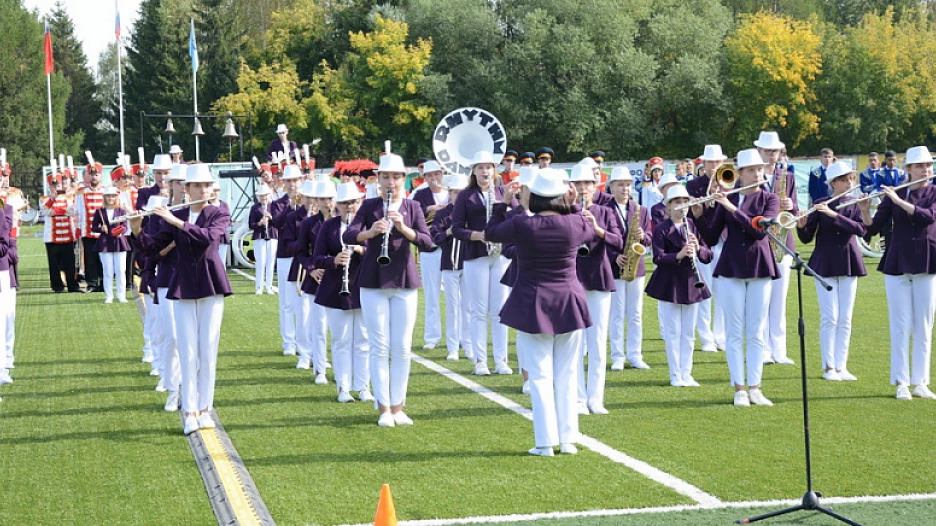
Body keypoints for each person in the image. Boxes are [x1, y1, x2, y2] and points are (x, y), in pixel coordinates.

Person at [486, 168, 594, 456]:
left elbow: (491, 232)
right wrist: (570, 202)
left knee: (540, 376)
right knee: (567, 373)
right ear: (562, 194)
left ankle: (545, 442)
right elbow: (587, 228)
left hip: (533, 302)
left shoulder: (522, 224)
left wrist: (503, 201)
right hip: (569, 300)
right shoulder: (574, 222)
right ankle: (568, 440)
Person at [130, 164, 233, 435]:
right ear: (186, 189)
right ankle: (189, 411)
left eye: (205, 185)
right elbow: (155, 250)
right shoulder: (176, 213)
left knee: (208, 350)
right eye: (196, 186)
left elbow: (208, 239)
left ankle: (205, 409)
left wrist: (176, 221)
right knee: (187, 350)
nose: (202, 190)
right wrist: (138, 230)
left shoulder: (219, 212)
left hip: (211, 284)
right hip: (184, 285)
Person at [343, 151, 432, 427]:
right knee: (379, 346)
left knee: (402, 347)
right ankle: (383, 409)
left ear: (404, 179)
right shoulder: (369, 205)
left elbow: (427, 242)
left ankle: (398, 407)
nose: (390, 182)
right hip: (373, 280)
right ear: (378, 180)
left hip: (404, 279)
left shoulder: (413, 207)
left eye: (395, 177)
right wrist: (370, 232)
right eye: (385, 177)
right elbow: (349, 234)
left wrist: (403, 228)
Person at [693, 148, 780, 407]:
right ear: (740, 174)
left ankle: (755, 387)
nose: (756, 173)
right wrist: (699, 217)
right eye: (750, 170)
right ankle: (739, 388)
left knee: (755, 331)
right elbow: (710, 238)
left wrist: (729, 206)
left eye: (758, 169)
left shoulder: (769, 198)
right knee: (734, 331)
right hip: (731, 268)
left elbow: (759, 230)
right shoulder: (726, 199)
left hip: (760, 267)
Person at [859, 146, 936, 400]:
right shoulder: (894, 194)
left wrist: (898, 200)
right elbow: (871, 229)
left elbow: (927, 217)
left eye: (928, 165)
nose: (925, 169)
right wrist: (863, 210)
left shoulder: (933, 192)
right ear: (909, 170)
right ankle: (901, 381)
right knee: (900, 325)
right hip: (898, 261)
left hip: (927, 260)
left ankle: (920, 382)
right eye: (920, 166)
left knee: (924, 326)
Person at [796, 161, 866, 381]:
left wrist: (834, 215)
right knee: (830, 317)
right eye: (844, 179)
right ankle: (828, 367)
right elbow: (807, 237)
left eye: (850, 179)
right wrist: (801, 225)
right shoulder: (820, 203)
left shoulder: (856, 202)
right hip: (824, 262)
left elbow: (861, 230)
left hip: (849, 261)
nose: (849, 182)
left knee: (845, 318)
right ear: (834, 183)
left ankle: (841, 365)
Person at [452, 151, 518, 376]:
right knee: (478, 310)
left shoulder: (503, 192)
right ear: (474, 171)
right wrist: (478, 235)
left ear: (495, 170)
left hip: (499, 256)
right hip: (476, 255)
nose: (485, 171)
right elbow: (457, 228)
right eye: (480, 167)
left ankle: (501, 360)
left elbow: (518, 217)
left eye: (488, 167)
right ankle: (480, 360)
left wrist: (509, 203)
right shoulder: (465, 196)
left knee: (500, 310)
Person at [646, 186, 713, 387]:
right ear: (668, 207)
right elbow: (657, 257)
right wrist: (679, 254)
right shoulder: (661, 228)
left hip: (692, 282)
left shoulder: (691, 225)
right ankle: (675, 374)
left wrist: (698, 247)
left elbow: (708, 256)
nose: (682, 207)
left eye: (685, 202)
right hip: (670, 283)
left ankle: (687, 372)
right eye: (677, 203)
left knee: (688, 332)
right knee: (673, 331)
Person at [570, 164, 622, 415]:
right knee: (576, 341)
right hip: (573, 278)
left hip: (599, 276)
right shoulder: (566, 211)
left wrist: (596, 228)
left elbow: (618, 241)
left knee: (598, 341)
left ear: (595, 186)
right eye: (578, 184)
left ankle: (596, 397)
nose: (583, 188)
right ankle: (578, 397)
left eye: (587, 184)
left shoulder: (604, 211)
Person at [313, 182, 372, 403]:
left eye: (354, 202)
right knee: (341, 339)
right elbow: (317, 258)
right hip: (336, 288)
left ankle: (363, 386)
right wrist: (334, 260)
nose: (350, 207)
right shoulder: (329, 227)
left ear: (360, 203)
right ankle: (343, 387)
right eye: (345, 203)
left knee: (364, 339)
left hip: (364, 284)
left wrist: (361, 249)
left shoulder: (367, 226)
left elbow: (376, 254)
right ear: (338, 205)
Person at [755, 131, 799, 366]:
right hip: (761, 242)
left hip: (783, 241)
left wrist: (791, 206)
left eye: (774, 151)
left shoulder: (787, 177)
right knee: (762, 299)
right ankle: (761, 349)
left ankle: (779, 350)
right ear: (759, 152)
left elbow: (795, 212)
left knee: (779, 300)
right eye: (767, 151)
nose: (771, 155)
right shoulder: (752, 176)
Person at [605, 168, 651, 370]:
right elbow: (601, 239)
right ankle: (617, 356)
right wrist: (615, 257)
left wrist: (643, 236)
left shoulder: (641, 210)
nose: (625, 188)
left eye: (628, 184)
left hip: (636, 266)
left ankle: (635, 354)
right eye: (620, 184)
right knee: (616, 314)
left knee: (635, 314)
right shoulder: (604, 209)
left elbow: (650, 238)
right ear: (611, 187)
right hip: (615, 266)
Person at [685, 145, 728, 354]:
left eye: (718, 162)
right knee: (705, 292)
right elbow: (690, 216)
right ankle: (706, 338)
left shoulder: (730, 182)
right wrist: (704, 203)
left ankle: (720, 336)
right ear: (704, 164)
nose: (715, 166)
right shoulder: (693, 185)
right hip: (703, 242)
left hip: (725, 241)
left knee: (723, 292)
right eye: (711, 162)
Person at [430, 174, 472, 361]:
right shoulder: (443, 214)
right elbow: (435, 237)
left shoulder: (472, 212)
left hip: (469, 263)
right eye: (454, 192)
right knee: (452, 307)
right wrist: (448, 231)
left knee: (468, 307)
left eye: (460, 192)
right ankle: (453, 348)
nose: (457, 195)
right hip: (449, 264)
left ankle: (469, 345)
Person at [292, 180, 331, 378]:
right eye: (323, 199)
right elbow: (301, 251)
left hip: (339, 279)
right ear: (316, 201)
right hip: (315, 279)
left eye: (331, 199)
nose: (327, 203)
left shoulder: (346, 223)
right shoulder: (309, 223)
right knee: (316, 325)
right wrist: (311, 270)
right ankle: (314, 361)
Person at [411, 160, 448, 350]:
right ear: (424, 178)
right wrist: (431, 209)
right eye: (430, 175)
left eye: (437, 174)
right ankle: (432, 337)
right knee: (432, 294)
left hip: (450, 248)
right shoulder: (419, 194)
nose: (434, 179)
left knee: (454, 295)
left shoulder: (451, 192)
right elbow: (411, 215)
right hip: (430, 248)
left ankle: (455, 336)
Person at [272, 165, 304, 356]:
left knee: (303, 302)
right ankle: (288, 342)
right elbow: (277, 223)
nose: (292, 184)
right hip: (285, 255)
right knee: (286, 302)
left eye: (295, 180)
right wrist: (291, 205)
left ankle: (302, 341)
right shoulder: (277, 204)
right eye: (289, 181)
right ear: (284, 183)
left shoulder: (308, 202)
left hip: (304, 256)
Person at [41, 170, 80, 293]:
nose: (55, 188)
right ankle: (57, 286)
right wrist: (54, 202)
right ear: (49, 186)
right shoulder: (44, 198)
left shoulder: (69, 197)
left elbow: (72, 211)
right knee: (54, 264)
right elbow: (45, 211)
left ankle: (72, 285)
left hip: (68, 235)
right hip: (52, 237)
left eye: (57, 185)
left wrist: (56, 212)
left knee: (70, 263)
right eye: (53, 186)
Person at [91, 186, 131, 304]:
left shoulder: (121, 211)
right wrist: (100, 229)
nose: (111, 198)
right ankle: (109, 296)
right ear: (104, 197)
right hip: (104, 243)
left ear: (116, 197)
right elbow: (93, 227)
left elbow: (125, 226)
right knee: (107, 271)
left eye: (113, 196)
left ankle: (121, 295)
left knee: (120, 270)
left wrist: (120, 232)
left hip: (119, 242)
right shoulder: (99, 212)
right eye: (108, 196)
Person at [75, 162, 105, 292]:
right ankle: (92, 284)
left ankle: (104, 283)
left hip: (103, 232)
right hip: (88, 231)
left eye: (96, 174)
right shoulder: (81, 193)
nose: (94, 177)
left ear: (101, 175)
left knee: (103, 259)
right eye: (91, 174)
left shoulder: (106, 190)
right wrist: (78, 229)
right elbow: (78, 211)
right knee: (90, 259)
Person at [249, 184, 278, 294]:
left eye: (265, 195)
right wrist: (259, 223)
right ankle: (259, 287)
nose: (263, 198)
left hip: (272, 235)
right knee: (260, 262)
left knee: (270, 262)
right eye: (261, 196)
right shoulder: (254, 207)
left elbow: (279, 222)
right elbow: (251, 224)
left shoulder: (274, 206)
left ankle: (269, 287)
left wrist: (271, 217)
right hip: (260, 236)